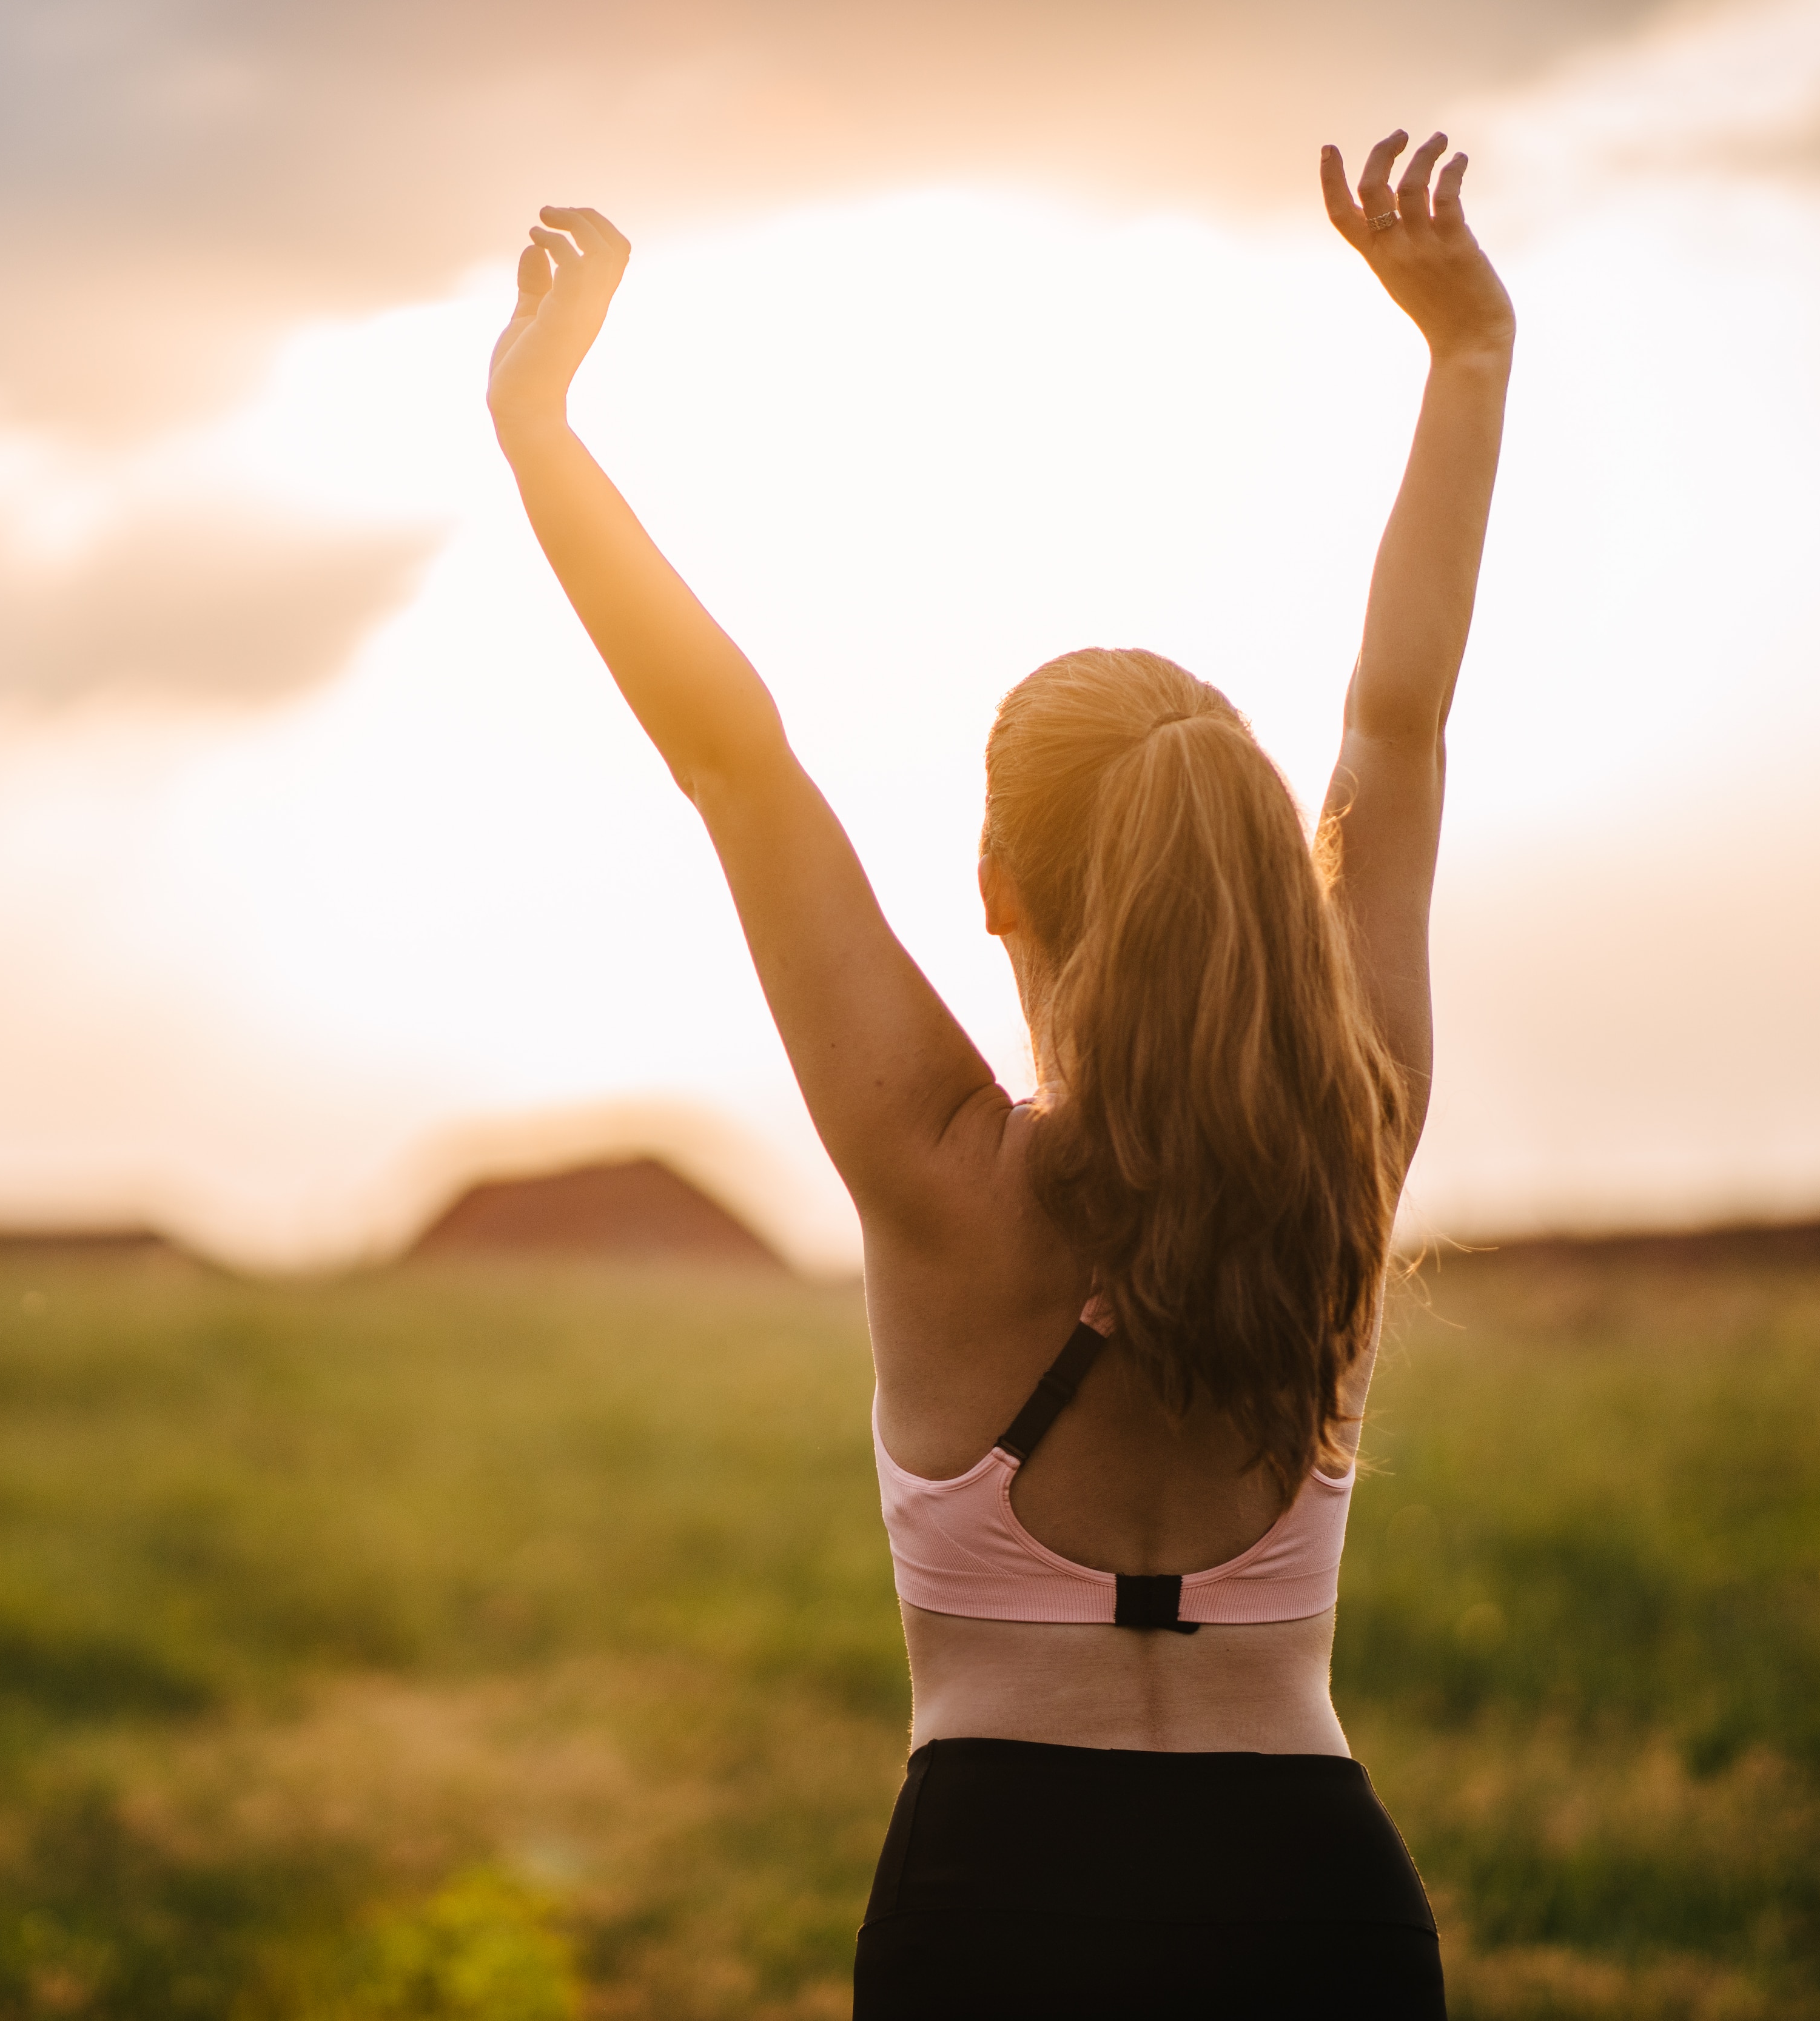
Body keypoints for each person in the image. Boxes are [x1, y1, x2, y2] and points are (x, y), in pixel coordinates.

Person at [487, 128, 1513, 2018]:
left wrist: (540, 424)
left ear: (992, 886)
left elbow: (735, 761)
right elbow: (1401, 731)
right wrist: (1466, 363)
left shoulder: (938, 1171)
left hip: (998, 1901)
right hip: (1318, 1903)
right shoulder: (1347, 1131)